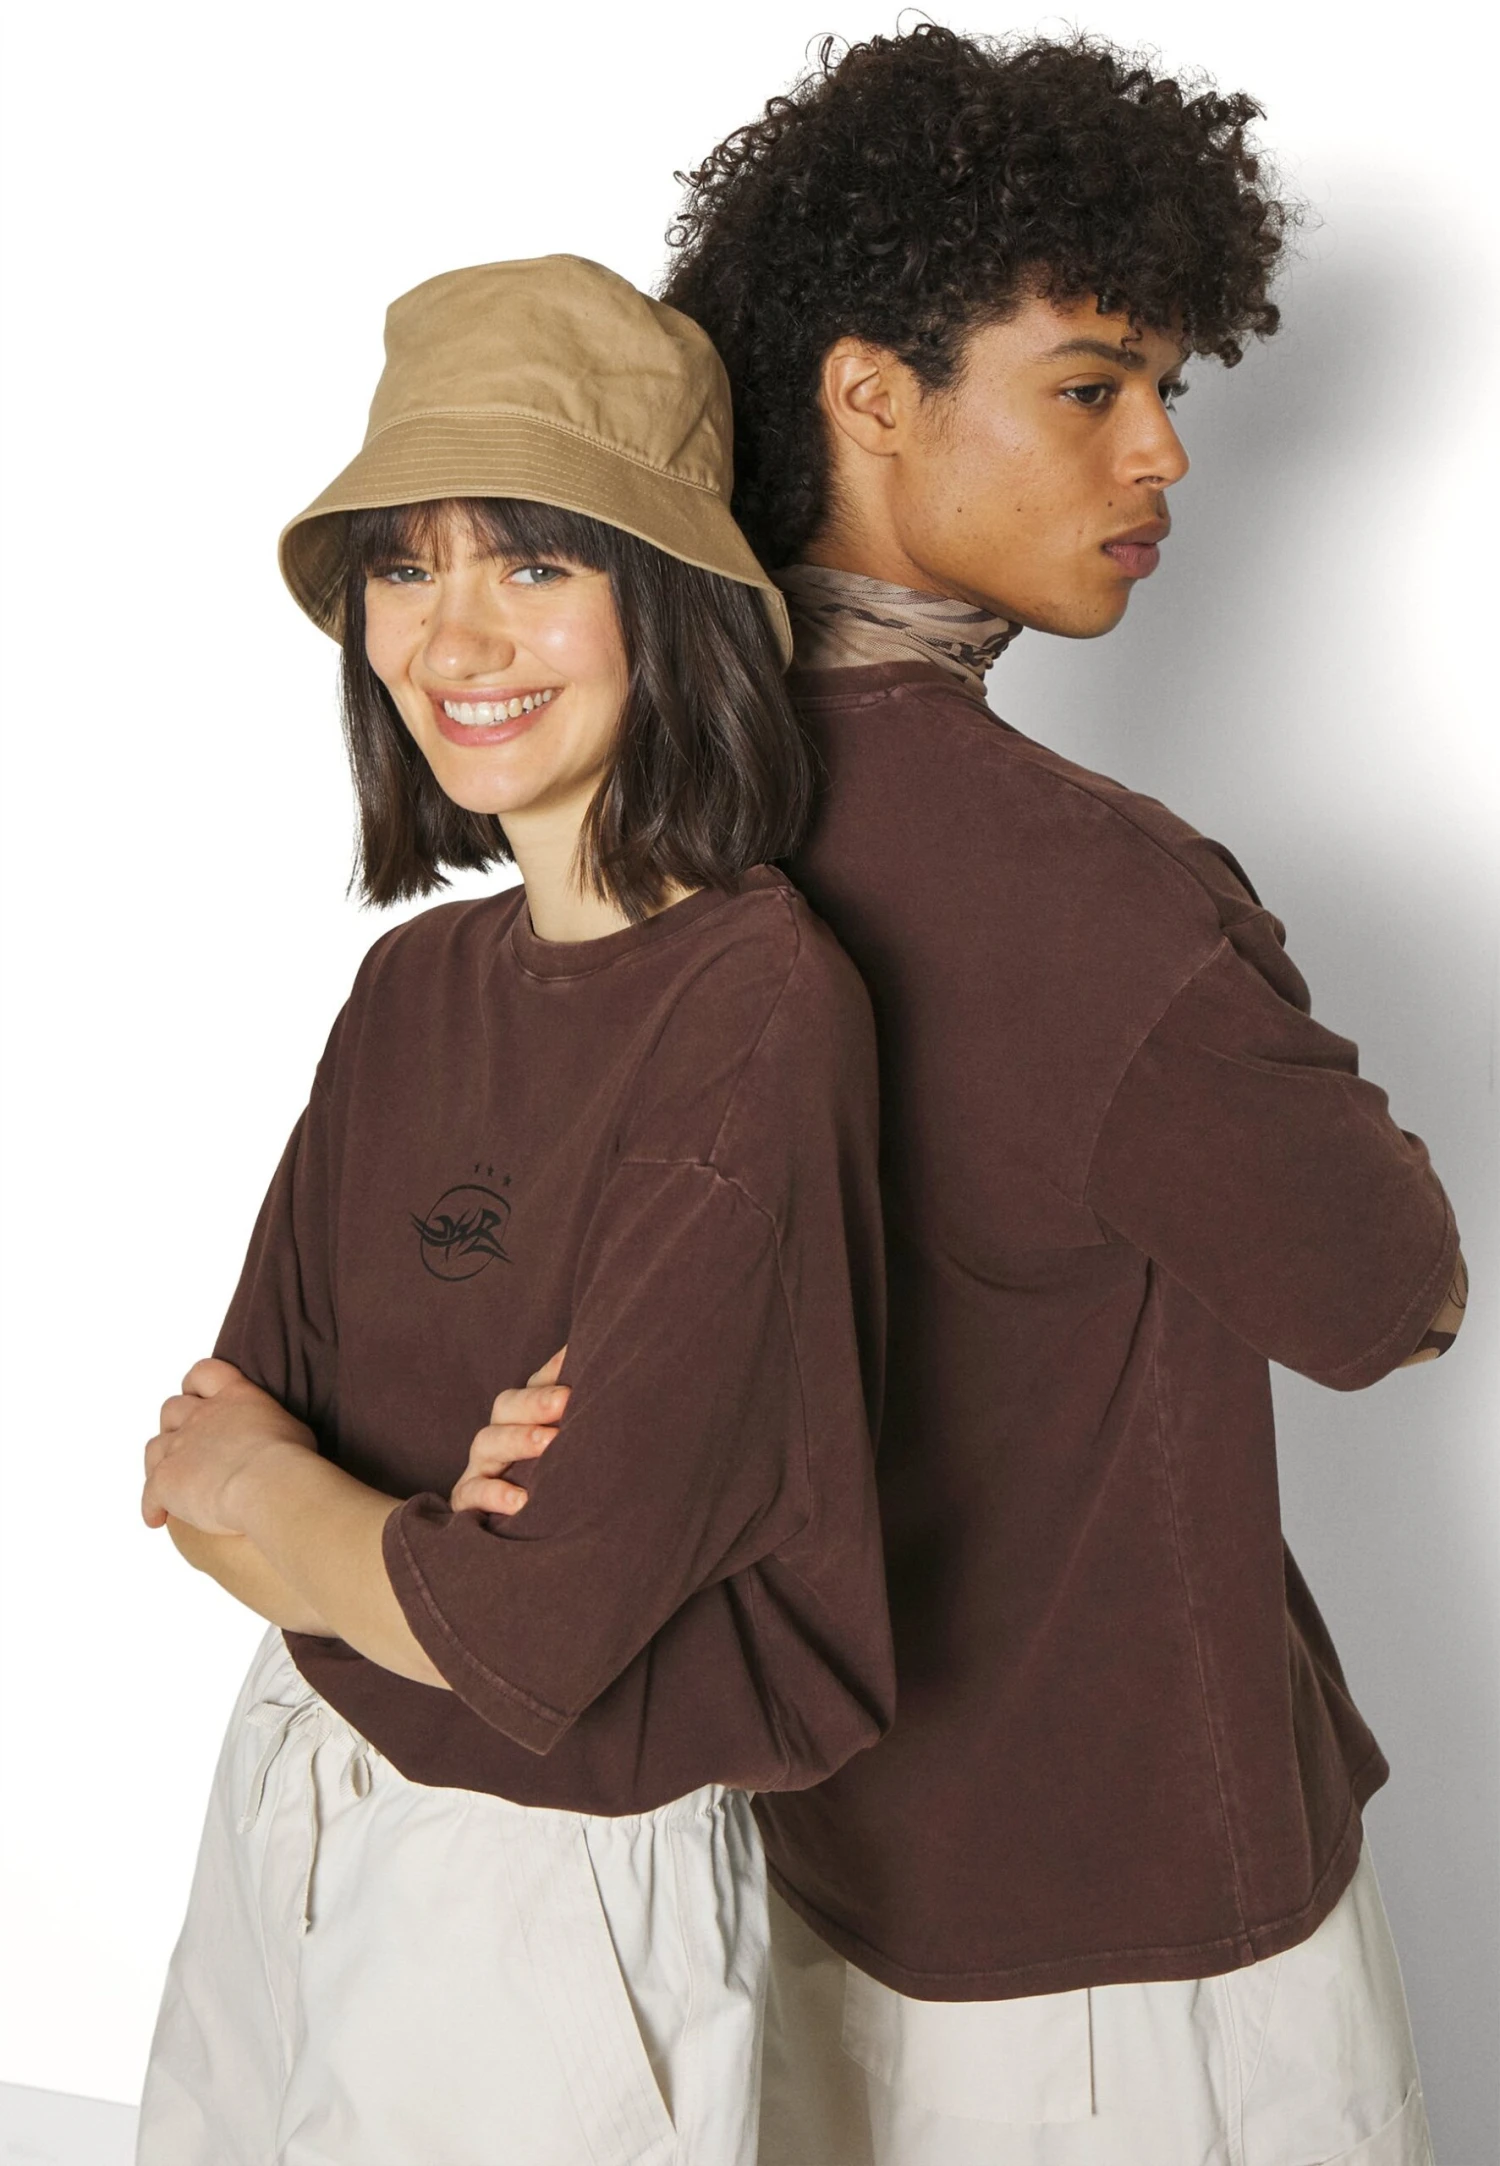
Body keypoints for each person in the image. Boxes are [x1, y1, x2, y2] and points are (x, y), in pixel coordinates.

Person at [658, 28, 1467, 2166]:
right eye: (1094, 387)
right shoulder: (1098, 892)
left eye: (1170, 390)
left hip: (794, 1870)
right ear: (868, 394)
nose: (1166, 455)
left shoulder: (658, 819)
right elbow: (1388, 1296)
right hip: (1131, 1937)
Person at [135, 254, 894, 2166]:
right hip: (292, 1786)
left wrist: (300, 1498)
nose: (452, 635)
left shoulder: (758, 1008)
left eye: (535, 561)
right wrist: (367, 1531)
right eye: (406, 568)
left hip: (545, 1895)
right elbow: (194, 1467)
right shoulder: (412, 986)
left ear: (673, 601)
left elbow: (531, 1632)